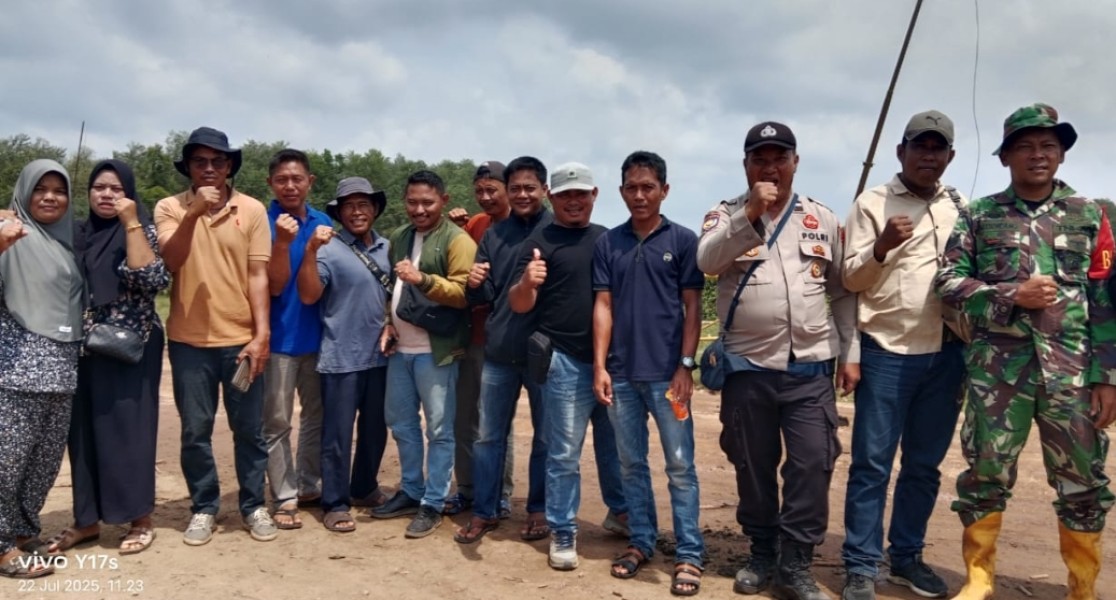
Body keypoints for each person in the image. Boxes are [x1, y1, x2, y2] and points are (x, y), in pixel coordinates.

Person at [934, 103, 1116, 600]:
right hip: (998, 372)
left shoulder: (1089, 215)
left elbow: (1105, 299)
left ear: (1060, 155)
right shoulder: (979, 214)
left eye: (1048, 146)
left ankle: (1082, 587)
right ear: (1005, 156)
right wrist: (1011, 294)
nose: (1038, 155)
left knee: (1083, 479)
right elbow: (947, 283)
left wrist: (1108, 376)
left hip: (1073, 375)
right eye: (1026, 146)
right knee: (986, 471)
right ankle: (979, 579)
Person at [696, 122, 859, 600]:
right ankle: (762, 551)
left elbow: (843, 292)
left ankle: (796, 562)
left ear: (795, 162)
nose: (771, 167)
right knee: (752, 463)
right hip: (748, 367)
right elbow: (707, 261)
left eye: (779, 158)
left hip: (810, 369)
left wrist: (851, 353)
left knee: (813, 462)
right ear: (746, 166)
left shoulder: (822, 219)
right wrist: (750, 213)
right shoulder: (724, 215)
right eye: (760, 159)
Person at [839, 111, 966, 600]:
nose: (928, 155)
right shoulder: (871, 204)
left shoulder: (960, 207)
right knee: (871, 464)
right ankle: (860, 564)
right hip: (886, 351)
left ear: (949, 157)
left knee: (923, 466)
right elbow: (849, 280)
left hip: (947, 352)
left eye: (938, 148)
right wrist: (883, 247)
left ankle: (906, 557)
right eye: (920, 146)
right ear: (901, 152)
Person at [154, 126, 277, 545]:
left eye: (217, 162)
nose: (209, 169)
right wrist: (193, 214)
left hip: (241, 340)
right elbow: (171, 260)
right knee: (195, 431)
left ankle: (253, 505)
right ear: (188, 167)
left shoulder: (253, 209)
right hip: (190, 342)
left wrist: (261, 336)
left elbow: (258, 275)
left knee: (249, 430)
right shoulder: (170, 207)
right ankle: (204, 507)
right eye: (200, 162)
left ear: (229, 167)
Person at [593, 151, 706, 595]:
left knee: (680, 465)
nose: (639, 196)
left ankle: (689, 553)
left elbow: (693, 307)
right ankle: (641, 541)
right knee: (631, 464)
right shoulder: (609, 244)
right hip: (621, 375)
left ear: (664, 190)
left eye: (648, 187)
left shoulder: (681, 241)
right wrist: (600, 366)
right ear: (622, 192)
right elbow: (603, 306)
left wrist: (686, 366)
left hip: (668, 377)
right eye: (632, 188)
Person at [44, 160, 170, 557]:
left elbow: (149, 279)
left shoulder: (142, 229)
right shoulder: (76, 234)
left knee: (129, 431)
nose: (107, 195)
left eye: (116, 188)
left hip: (130, 347)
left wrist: (130, 220)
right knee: (82, 434)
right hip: (81, 347)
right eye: (99, 187)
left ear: (129, 193)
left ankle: (140, 519)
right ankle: (86, 521)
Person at [508, 162, 629, 571]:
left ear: (595, 195)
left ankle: (621, 511)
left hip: (609, 362)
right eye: (565, 195)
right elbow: (518, 304)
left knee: (615, 447)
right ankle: (563, 528)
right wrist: (528, 282)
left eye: (581, 194)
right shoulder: (539, 242)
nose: (574, 201)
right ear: (551, 197)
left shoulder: (609, 240)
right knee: (563, 452)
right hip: (563, 362)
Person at [371, 170, 476, 539]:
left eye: (427, 202)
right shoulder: (399, 237)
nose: (419, 209)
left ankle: (433, 502)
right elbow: (391, 291)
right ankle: (411, 490)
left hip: (438, 351)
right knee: (400, 423)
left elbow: (465, 293)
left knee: (439, 429)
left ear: (443, 202)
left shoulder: (456, 239)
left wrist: (424, 280)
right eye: (413, 202)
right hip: (401, 348)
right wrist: (388, 322)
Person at [455, 157, 552, 544]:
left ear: (544, 189)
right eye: (516, 188)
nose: (523, 194)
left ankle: (538, 510)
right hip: (500, 348)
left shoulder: (558, 229)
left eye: (530, 187)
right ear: (508, 191)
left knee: (546, 436)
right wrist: (475, 282)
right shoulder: (494, 235)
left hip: (546, 351)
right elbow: (482, 296)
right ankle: (485, 510)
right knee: (488, 436)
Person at [0, 160, 82, 578]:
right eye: (41, 189)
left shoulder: (63, 241)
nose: (50, 197)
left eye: (59, 190)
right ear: (25, 192)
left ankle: (21, 532)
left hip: (62, 368)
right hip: (16, 369)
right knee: (6, 462)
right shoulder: (8, 232)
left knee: (42, 463)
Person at [297, 177, 392, 533]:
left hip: (381, 356)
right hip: (340, 355)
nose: (357, 211)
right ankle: (335, 502)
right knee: (336, 435)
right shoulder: (328, 249)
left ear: (375, 208)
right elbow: (308, 295)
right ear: (338, 213)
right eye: (349, 206)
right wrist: (308, 251)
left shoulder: (387, 247)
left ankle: (364, 487)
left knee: (374, 430)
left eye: (363, 204)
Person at [262, 149, 332, 530]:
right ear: (271, 183)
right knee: (276, 422)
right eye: (282, 179)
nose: (290, 185)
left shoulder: (324, 222)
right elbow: (272, 285)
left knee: (316, 418)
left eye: (297, 178)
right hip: (277, 339)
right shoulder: (262, 220)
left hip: (318, 337)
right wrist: (284, 242)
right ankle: (284, 496)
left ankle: (309, 484)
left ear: (310, 182)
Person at [445, 161, 515, 519]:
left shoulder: (523, 228)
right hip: (472, 335)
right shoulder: (475, 225)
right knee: (465, 418)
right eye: (480, 191)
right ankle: (468, 489)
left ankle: (500, 492)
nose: (486, 197)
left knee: (497, 422)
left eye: (493, 190)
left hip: (504, 339)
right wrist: (456, 228)